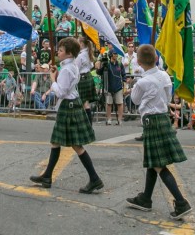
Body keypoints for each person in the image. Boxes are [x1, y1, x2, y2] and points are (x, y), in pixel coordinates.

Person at [30, 37, 104, 194]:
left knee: (76, 145)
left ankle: (94, 178)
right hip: (71, 104)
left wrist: (52, 80)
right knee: (56, 142)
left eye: (61, 50)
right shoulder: (69, 66)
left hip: (69, 106)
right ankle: (47, 176)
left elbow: (61, 91)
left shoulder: (67, 69)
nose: (58, 52)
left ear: (69, 53)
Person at [125, 44, 191, 217]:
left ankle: (181, 202)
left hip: (151, 121)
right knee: (153, 161)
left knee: (159, 165)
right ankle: (145, 198)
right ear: (156, 59)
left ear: (138, 62)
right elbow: (168, 96)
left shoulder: (143, 81)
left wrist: (134, 85)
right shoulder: (164, 75)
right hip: (162, 118)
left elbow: (135, 100)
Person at [96, 49, 126, 125]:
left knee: (120, 103)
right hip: (109, 87)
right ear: (110, 55)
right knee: (109, 103)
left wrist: (125, 84)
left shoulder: (119, 64)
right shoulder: (107, 64)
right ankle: (109, 119)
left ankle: (119, 120)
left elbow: (124, 74)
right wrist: (102, 66)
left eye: (116, 54)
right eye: (114, 54)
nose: (116, 55)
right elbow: (99, 72)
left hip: (118, 86)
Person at [75, 36, 96, 124]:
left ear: (82, 44)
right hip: (88, 77)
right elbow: (91, 66)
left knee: (83, 103)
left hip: (82, 78)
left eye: (77, 42)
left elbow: (76, 69)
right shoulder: (88, 53)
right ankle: (88, 124)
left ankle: (86, 124)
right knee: (86, 102)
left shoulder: (80, 56)